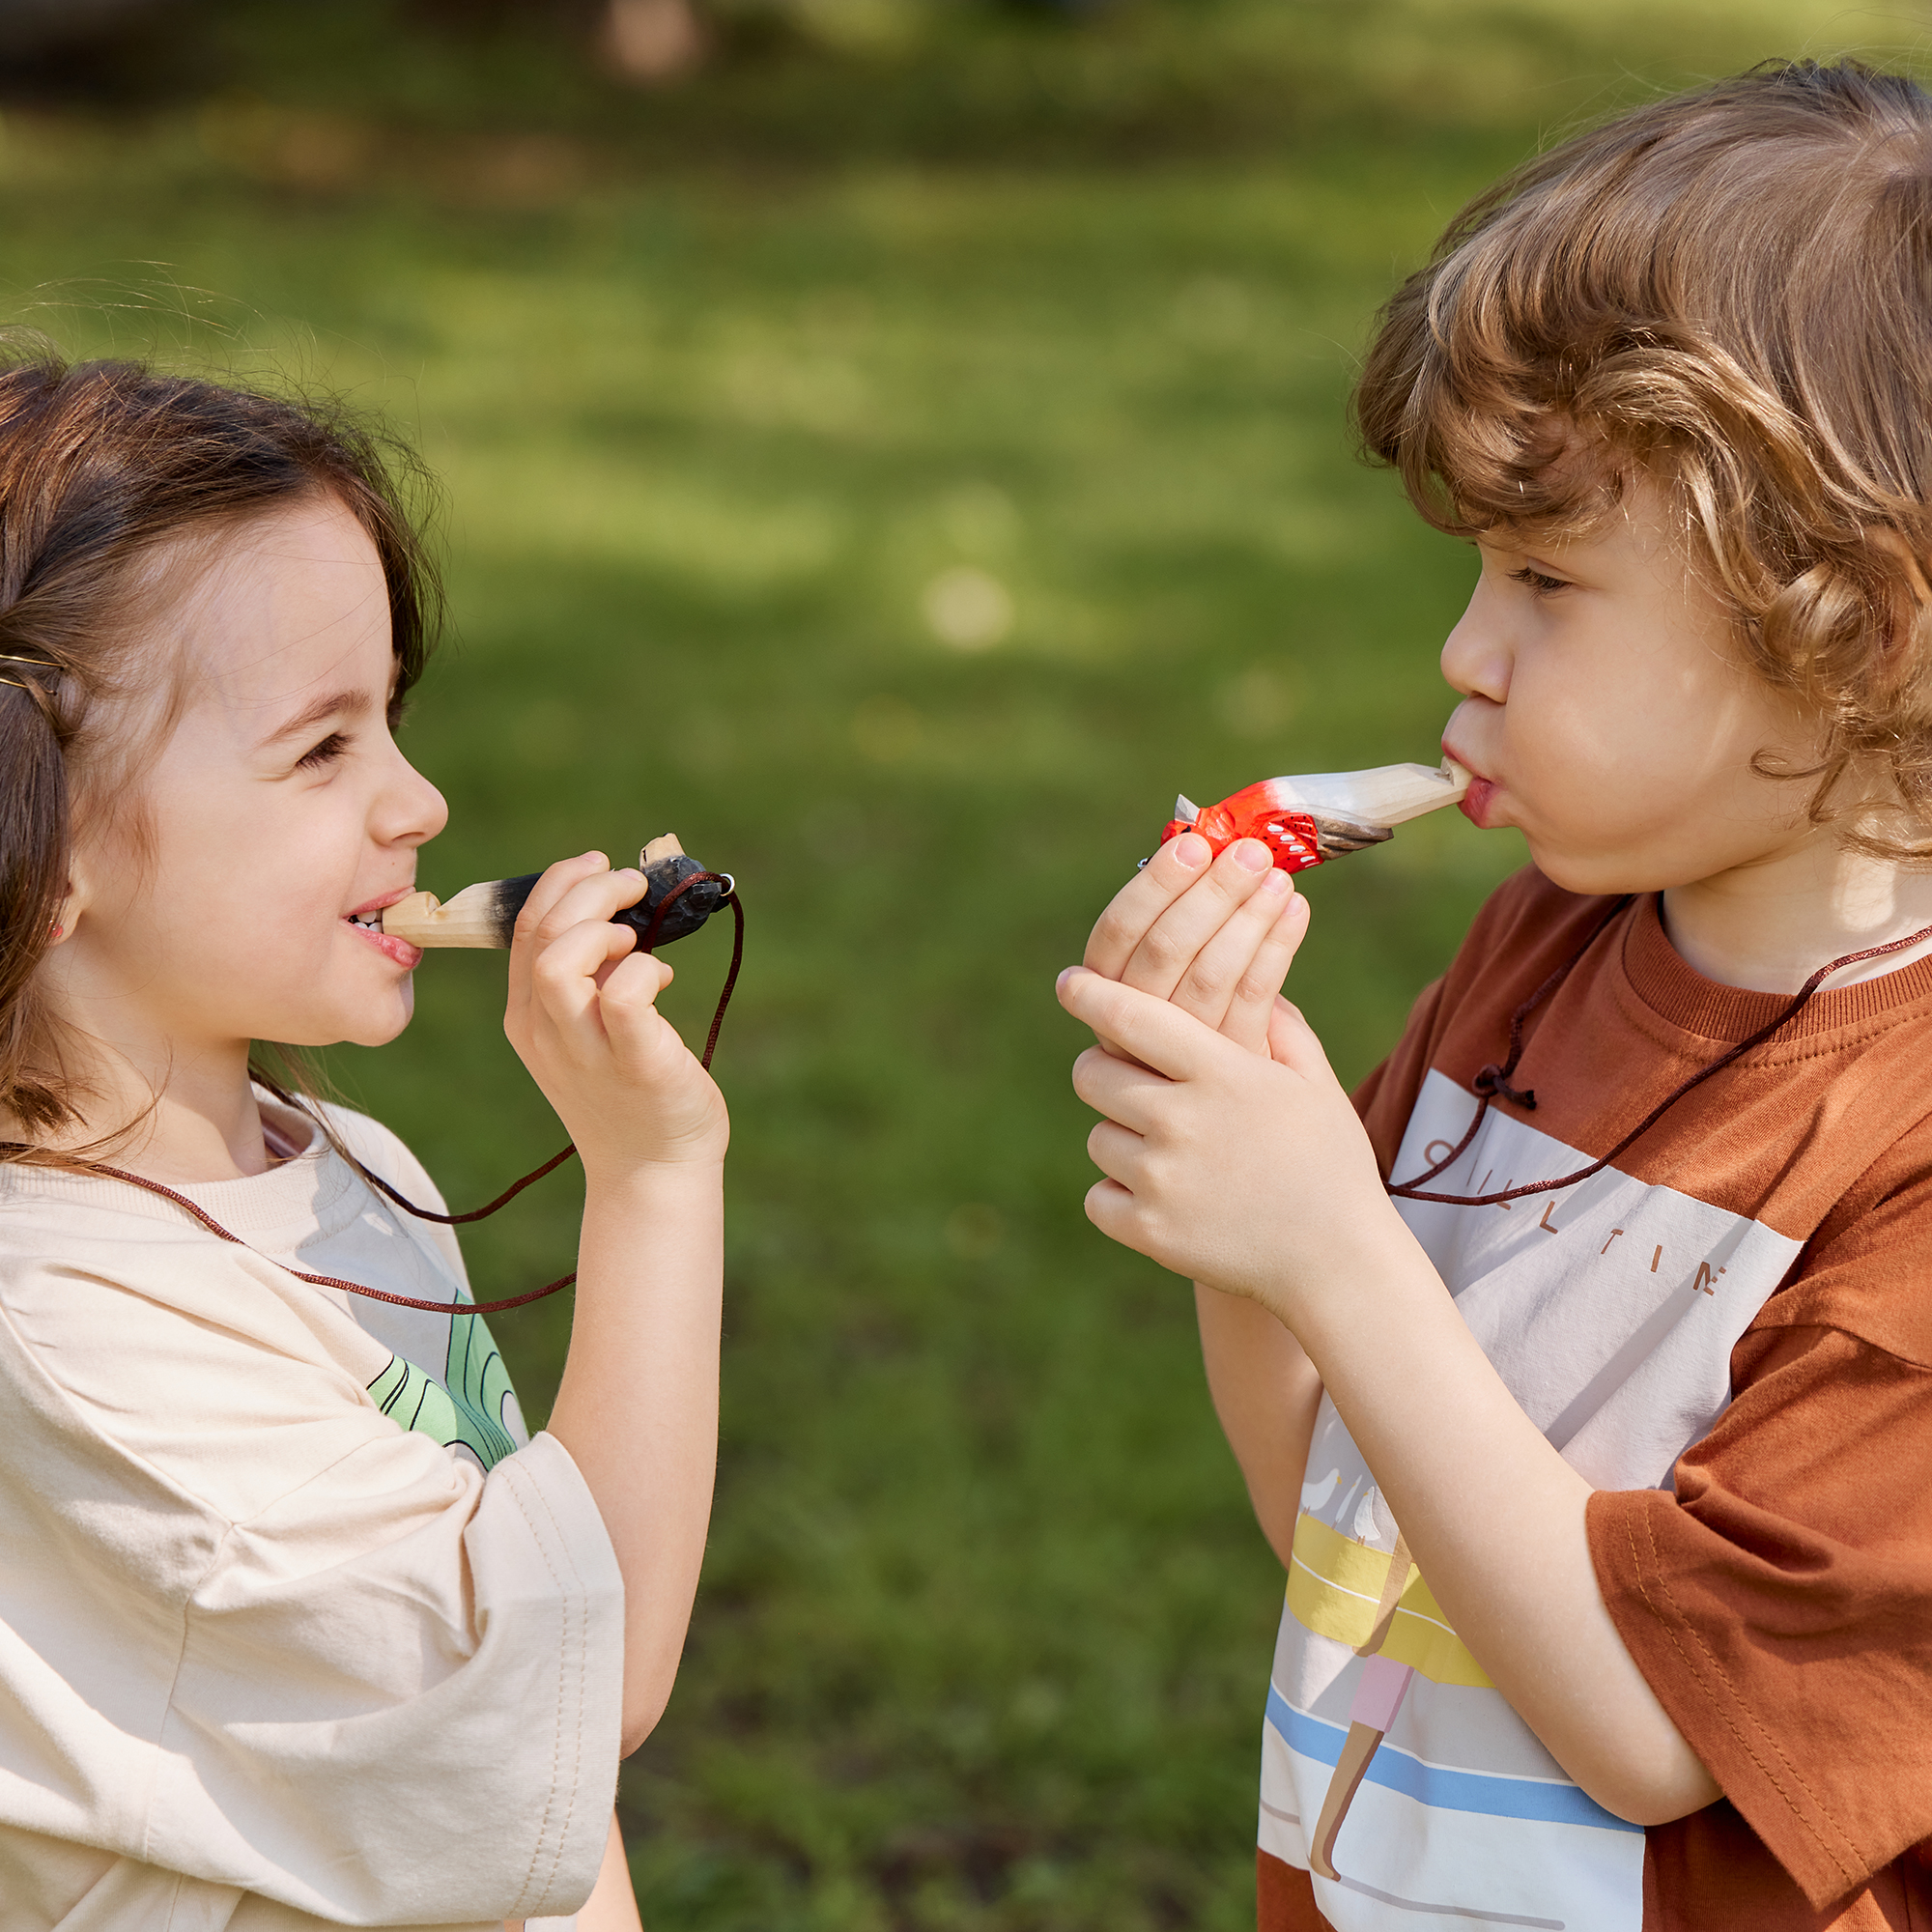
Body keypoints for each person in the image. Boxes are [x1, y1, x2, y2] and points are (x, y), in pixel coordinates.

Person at [1060, 59, 1932, 1932]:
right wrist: (1251, 1214)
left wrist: (1330, 1245)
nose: (1463, 648)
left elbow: (1651, 1726)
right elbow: (1331, 1493)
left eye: (1544, 577)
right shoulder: (1546, 944)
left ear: (1847, 624)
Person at [0, 348, 728, 1929]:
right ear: (40, 851)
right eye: (321, 748)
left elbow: (525, 1763)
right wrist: (654, 1182)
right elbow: (566, 1678)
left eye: (390, 717)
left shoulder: (340, 1163)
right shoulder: (73, 1334)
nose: (419, 801)